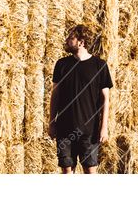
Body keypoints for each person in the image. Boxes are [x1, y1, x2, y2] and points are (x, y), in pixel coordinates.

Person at [48, 24, 113, 174]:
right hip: (64, 129)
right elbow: (55, 96)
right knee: (66, 171)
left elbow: (105, 100)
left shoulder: (100, 66)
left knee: (90, 172)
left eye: (71, 37)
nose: (66, 40)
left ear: (81, 42)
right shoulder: (61, 64)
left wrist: (104, 128)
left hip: (89, 131)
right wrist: (52, 123)